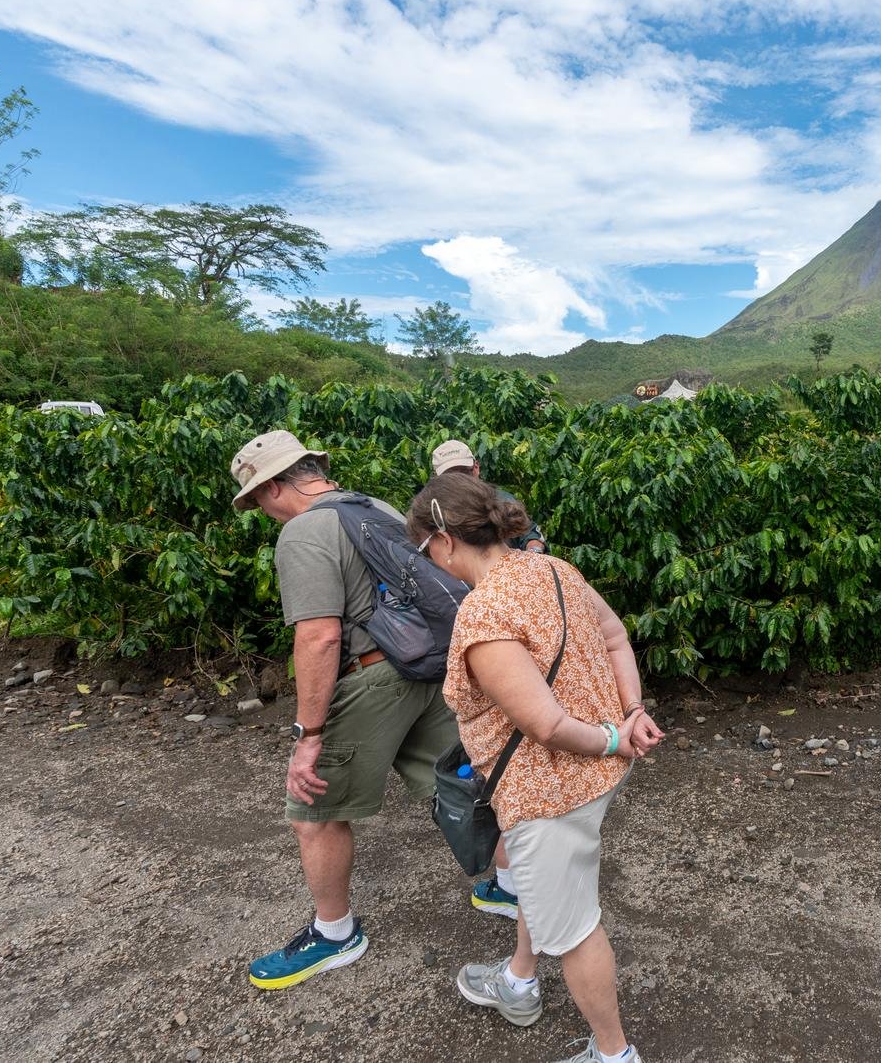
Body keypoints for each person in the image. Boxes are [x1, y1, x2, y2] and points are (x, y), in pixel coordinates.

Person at [407, 472, 663, 1063]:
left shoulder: (483, 615)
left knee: (575, 931)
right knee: (547, 881)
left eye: (422, 549)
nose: (426, 560)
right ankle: (520, 977)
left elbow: (545, 726)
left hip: (548, 791)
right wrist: (631, 713)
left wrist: (610, 740)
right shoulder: (554, 569)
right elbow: (616, 635)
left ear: (444, 541)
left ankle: (614, 1053)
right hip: (594, 779)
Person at [229, 430, 457, 988]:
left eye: (258, 498)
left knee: (316, 810)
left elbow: (319, 638)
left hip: (372, 677)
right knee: (460, 784)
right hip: (429, 666)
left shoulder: (304, 532)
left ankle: (335, 934)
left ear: (278, 485)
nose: (262, 511)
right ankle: (506, 884)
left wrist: (309, 734)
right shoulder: (375, 507)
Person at [431, 437, 548, 921]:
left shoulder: (497, 508)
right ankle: (513, 882)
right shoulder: (434, 519)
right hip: (485, 636)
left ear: (476, 468)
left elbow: (535, 546)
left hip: (508, 634)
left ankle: (521, 885)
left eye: (464, 471)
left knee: (505, 756)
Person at [432, 439, 548, 552]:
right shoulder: (433, 514)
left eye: (464, 473)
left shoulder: (503, 501)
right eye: (451, 477)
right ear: (438, 479)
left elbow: (530, 534)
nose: (461, 481)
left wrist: (533, 553)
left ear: (476, 468)